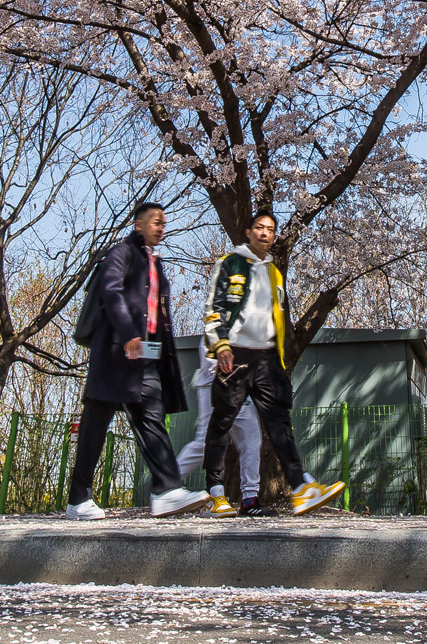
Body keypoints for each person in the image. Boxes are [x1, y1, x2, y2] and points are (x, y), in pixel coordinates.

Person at [65, 203, 206, 519]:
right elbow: (110, 292)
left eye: (164, 223)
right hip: (116, 355)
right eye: (156, 222)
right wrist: (129, 331)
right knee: (95, 426)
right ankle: (78, 500)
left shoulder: (154, 262)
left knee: (152, 420)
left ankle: (167, 491)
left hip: (145, 358)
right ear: (138, 224)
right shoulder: (122, 254)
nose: (161, 227)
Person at [199, 210, 344, 517]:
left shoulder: (275, 272)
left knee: (280, 424)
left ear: (274, 237)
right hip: (234, 354)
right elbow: (215, 305)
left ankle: (301, 487)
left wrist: (278, 358)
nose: (264, 233)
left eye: (270, 230)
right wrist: (220, 344)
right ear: (249, 232)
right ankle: (215, 492)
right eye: (259, 228)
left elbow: (279, 319)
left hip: (266, 359)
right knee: (222, 423)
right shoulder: (232, 262)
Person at [174, 349, 262, 515]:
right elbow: (212, 335)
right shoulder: (214, 325)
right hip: (214, 383)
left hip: (240, 384)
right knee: (204, 443)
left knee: (251, 441)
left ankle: (250, 499)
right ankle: (167, 486)